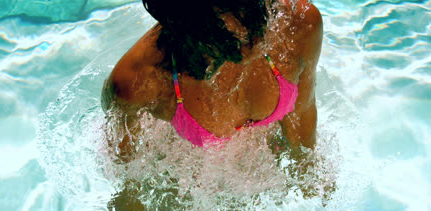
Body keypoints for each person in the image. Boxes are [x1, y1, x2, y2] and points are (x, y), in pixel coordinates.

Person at [101, 0, 322, 160]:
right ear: (187, 26)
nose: (255, 37)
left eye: (252, 8)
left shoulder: (298, 23)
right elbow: (125, 167)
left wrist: (306, 172)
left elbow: (302, 111)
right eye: (226, 34)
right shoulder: (139, 81)